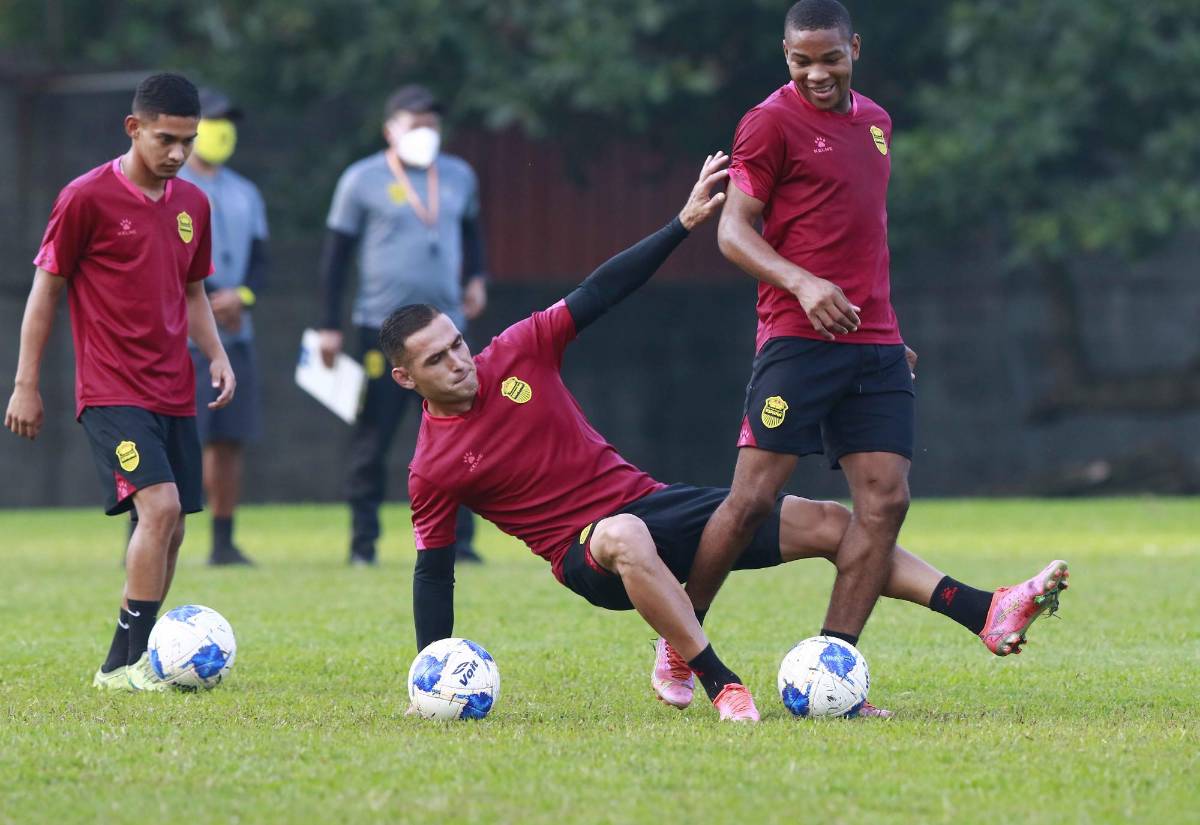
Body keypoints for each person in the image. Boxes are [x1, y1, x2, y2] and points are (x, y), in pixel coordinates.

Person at [384, 154, 1069, 722]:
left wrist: (682, 224)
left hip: (652, 504)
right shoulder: (432, 467)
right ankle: (718, 677)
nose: (459, 359)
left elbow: (602, 289)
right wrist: (431, 671)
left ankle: (984, 609)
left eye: (457, 343)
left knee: (833, 523)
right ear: (405, 377)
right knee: (622, 532)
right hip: (586, 553)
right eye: (437, 358)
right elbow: (433, 572)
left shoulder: (515, 352)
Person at [679, 0, 971, 673]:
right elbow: (733, 230)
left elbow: (861, 234)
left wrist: (884, 332)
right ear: (786, 56)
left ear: (855, 50)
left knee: (887, 500)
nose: (817, 73)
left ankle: (833, 665)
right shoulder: (769, 122)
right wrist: (804, 284)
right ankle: (680, 638)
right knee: (751, 500)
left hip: (872, 342)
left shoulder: (876, 123)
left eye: (829, 58)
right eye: (801, 60)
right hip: (796, 336)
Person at [4, 73, 235, 691]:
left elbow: (192, 290)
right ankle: (119, 666)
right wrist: (26, 383)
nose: (179, 154)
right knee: (156, 508)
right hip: (110, 391)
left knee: (176, 525)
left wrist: (215, 353)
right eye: (167, 139)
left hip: (173, 387)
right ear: (134, 128)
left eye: (188, 141)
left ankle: (146, 657)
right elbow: (45, 291)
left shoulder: (193, 205)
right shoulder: (85, 198)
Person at [317, 83, 487, 566]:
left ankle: (463, 541)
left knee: (461, 433)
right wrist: (328, 323)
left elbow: (472, 233)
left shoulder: (458, 176)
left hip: (445, 331)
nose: (425, 134)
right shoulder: (361, 179)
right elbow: (335, 257)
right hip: (382, 331)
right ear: (390, 129)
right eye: (415, 125)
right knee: (374, 435)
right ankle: (363, 543)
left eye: (432, 125)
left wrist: (477, 277)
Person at [177, 87, 269, 566]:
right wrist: (209, 300)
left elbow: (260, 261)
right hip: (181, 337)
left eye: (227, 121)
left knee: (228, 440)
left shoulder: (245, 192)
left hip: (236, 334)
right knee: (173, 437)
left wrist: (242, 297)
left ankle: (223, 540)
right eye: (214, 121)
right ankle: (148, 530)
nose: (223, 130)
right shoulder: (171, 184)